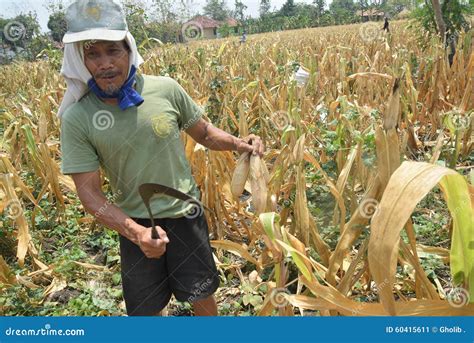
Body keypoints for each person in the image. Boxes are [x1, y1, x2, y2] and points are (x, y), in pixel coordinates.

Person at [58, 0, 264, 316]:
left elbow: (205, 134)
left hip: (186, 212)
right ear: (79, 60)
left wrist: (241, 144)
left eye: (113, 50)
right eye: (93, 53)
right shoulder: (77, 118)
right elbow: (89, 194)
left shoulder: (166, 90)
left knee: (202, 293)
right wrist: (136, 232)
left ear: (129, 50)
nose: (105, 63)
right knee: (144, 309)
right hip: (135, 222)